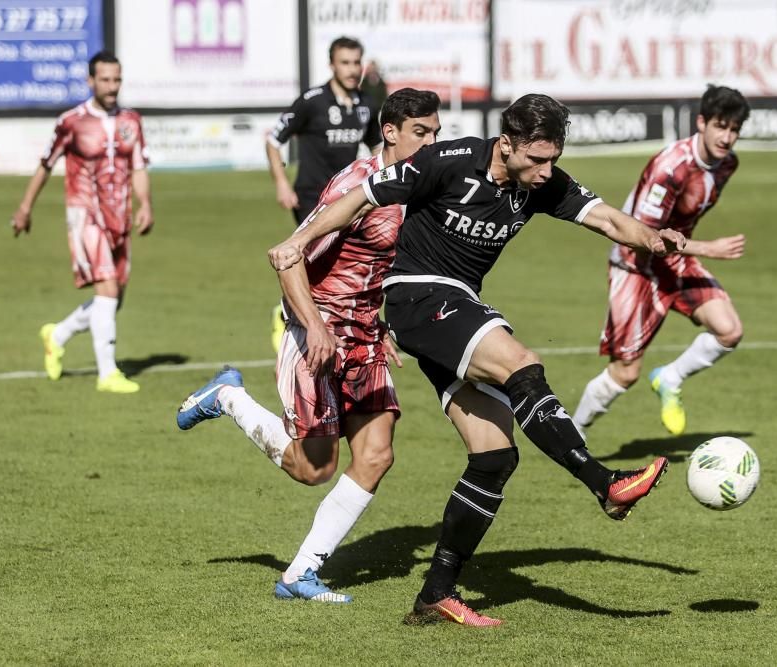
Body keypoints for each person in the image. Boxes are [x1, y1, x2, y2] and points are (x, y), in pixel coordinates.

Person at [268, 94, 687, 626]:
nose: (546, 171)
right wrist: (299, 239)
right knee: (521, 363)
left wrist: (655, 239)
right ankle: (603, 483)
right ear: (506, 144)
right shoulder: (448, 160)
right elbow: (358, 199)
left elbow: (606, 219)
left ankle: (435, 595)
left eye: (553, 158)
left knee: (494, 454)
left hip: (453, 309)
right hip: (417, 295)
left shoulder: (542, 184)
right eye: (536, 159)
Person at [176, 89, 443, 604]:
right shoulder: (356, 186)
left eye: (436, 132)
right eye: (421, 133)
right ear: (390, 132)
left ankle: (300, 573)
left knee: (377, 454)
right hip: (314, 333)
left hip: (365, 336)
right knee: (313, 469)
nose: (432, 142)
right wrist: (317, 327)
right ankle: (228, 398)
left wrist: (385, 323)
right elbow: (288, 257)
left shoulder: (423, 188)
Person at [572, 85, 750, 437]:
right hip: (635, 260)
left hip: (675, 256)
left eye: (734, 129)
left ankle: (670, 377)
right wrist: (709, 249)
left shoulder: (727, 164)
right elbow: (646, 236)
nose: (727, 137)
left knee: (729, 330)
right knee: (626, 372)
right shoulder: (671, 168)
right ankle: (571, 432)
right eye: (721, 126)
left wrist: (693, 249)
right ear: (701, 122)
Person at [11, 50, 153, 394]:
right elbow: (45, 164)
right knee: (105, 288)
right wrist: (25, 207)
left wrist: (145, 203)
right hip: (84, 213)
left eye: (116, 79)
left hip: (118, 215)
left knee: (114, 298)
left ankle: (56, 335)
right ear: (90, 81)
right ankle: (107, 374)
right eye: (104, 79)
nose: (111, 86)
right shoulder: (71, 122)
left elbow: (138, 166)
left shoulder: (131, 121)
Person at [266, 36, 383, 350]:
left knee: (338, 263)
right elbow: (274, 140)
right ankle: (290, 316)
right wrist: (281, 183)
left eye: (356, 62)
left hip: (348, 200)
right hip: (311, 197)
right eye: (345, 62)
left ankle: (323, 320)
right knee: (308, 261)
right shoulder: (312, 101)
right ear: (332, 65)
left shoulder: (367, 105)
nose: (351, 69)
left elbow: (377, 148)